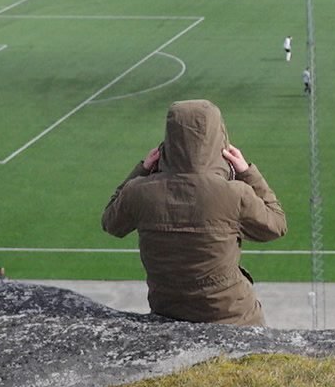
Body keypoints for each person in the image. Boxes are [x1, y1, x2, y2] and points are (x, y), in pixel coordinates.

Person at [102, 100, 286, 326]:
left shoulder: (140, 192)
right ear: (219, 139)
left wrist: (142, 170)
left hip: (168, 310)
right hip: (232, 315)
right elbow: (276, 225)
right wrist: (247, 173)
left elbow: (111, 222)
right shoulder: (234, 194)